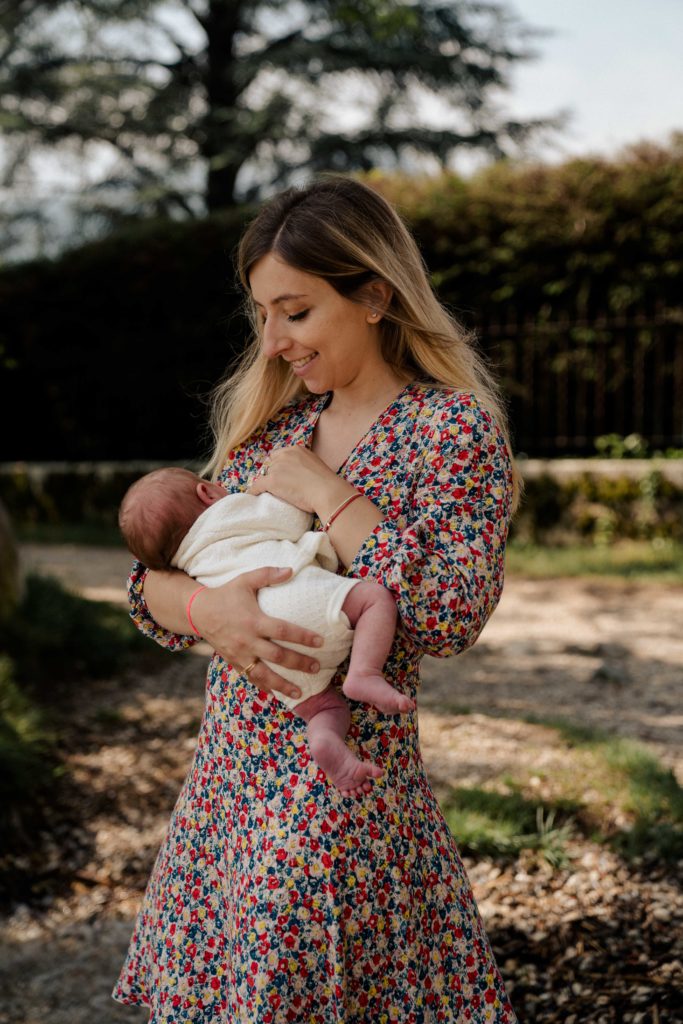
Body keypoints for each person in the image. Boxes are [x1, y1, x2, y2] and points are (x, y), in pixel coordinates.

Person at [113, 175, 519, 1022]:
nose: (272, 343)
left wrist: (335, 498)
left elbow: (452, 611)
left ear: (373, 295)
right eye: (263, 315)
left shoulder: (449, 430)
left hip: (339, 792)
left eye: (294, 312)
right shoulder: (276, 428)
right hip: (227, 785)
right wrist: (205, 613)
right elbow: (149, 582)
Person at [118, 466, 410, 795]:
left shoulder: (184, 563)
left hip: (270, 665)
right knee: (373, 600)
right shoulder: (231, 511)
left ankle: (325, 738)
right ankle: (364, 672)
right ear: (207, 493)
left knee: (324, 708)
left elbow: (147, 587)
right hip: (298, 601)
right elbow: (292, 517)